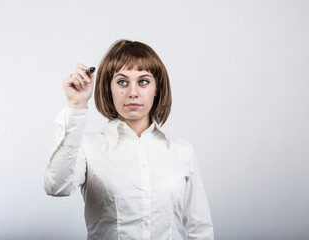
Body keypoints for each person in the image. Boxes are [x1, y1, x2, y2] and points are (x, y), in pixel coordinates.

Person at [44, 39, 214, 240]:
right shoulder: (87, 148)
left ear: (157, 88)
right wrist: (76, 104)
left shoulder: (182, 151)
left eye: (143, 81)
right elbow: (56, 186)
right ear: (109, 88)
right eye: (122, 82)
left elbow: (199, 229)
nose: (133, 93)